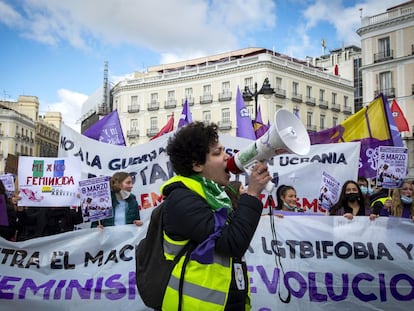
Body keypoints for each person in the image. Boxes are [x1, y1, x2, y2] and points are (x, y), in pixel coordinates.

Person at [160, 121, 271, 310]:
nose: (227, 156)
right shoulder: (182, 199)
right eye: (217, 153)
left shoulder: (215, 196)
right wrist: (252, 196)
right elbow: (231, 243)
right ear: (196, 165)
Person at [16, 206, 84, 241]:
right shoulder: (40, 211)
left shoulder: (68, 212)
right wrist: (20, 210)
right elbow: (26, 221)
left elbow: (80, 219)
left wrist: (82, 202)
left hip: (63, 250)